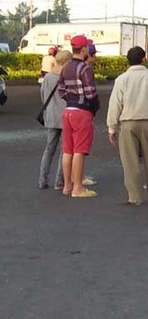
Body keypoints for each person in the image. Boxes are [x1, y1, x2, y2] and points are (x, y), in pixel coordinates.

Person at [107, 46, 148, 206]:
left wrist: (112, 127)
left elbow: (115, 104)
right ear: (144, 59)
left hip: (128, 123)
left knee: (130, 161)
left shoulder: (122, 79)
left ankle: (135, 197)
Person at [58, 35, 100, 198]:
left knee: (68, 149)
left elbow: (61, 90)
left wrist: (71, 99)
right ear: (83, 49)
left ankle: (67, 186)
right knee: (79, 150)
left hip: (68, 110)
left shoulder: (65, 68)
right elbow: (91, 93)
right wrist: (93, 107)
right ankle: (78, 188)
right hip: (82, 112)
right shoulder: (85, 69)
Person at [38, 50, 71, 190]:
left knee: (49, 148)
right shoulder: (67, 78)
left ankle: (42, 179)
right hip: (65, 117)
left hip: (50, 116)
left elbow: (43, 96)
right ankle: (59, 181)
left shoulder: (47, 77)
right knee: (65, 150)